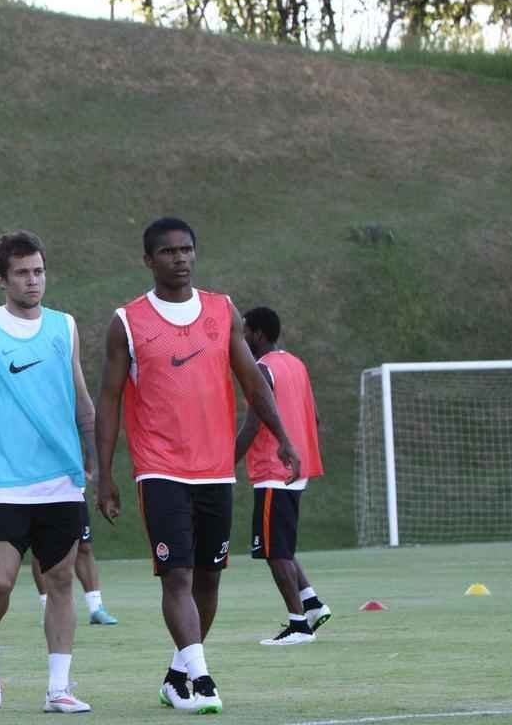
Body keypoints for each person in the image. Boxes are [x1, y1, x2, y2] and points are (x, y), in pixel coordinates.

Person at [95, 217, 301, 715]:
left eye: (187, 249)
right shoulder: (127, 322)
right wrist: (104, 474)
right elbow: (109, 399)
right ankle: (203, 679)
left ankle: (176, 675)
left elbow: (252, 382)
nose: (180, 258)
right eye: (168, 251)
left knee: (209, 579)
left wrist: (283, 438)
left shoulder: (221, 310)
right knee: (177, 576)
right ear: (149, 260)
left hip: (215, 469)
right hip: (161, 468)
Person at [0, 230, 96, 713]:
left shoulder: (64, 326)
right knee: (1, 581)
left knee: (60, 580)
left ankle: (58, 688)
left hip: (61, 478)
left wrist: (95, 460)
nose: (33, 280)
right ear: (2, 279)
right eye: (21, 273)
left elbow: (81, 396)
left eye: (38, 271)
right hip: (4, 480)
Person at [234, 307, 332, 644]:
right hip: (296, 468)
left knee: (275, 551)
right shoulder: (296, 364)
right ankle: (312, 604)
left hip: (273, 470)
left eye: (244, 331)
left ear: (258, 334)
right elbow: (314, 417)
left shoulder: (261, 369)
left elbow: (252, 425)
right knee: (282, 546)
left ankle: (298, 625)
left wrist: (224, 465)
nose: (241, 337)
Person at [30, 496, 119, 625]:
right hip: (39, 496)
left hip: (73, 495)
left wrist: (99, 491)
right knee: (41, 547)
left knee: (84, 546)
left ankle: (96, 608)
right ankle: (48, 608)